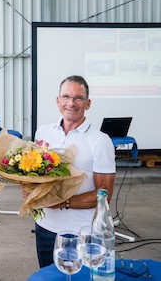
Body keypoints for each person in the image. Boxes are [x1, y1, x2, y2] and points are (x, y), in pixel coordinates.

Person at [33, 75, 116, 268]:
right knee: (48, 277)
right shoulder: (43, 132)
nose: (71, 103)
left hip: (81, 232)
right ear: (58, 101)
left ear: (88, 104)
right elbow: (34, 175)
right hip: (44, 226)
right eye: (66, 97)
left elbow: (104, 195)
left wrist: (62, 203)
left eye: (78, 98)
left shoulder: (100, 140)